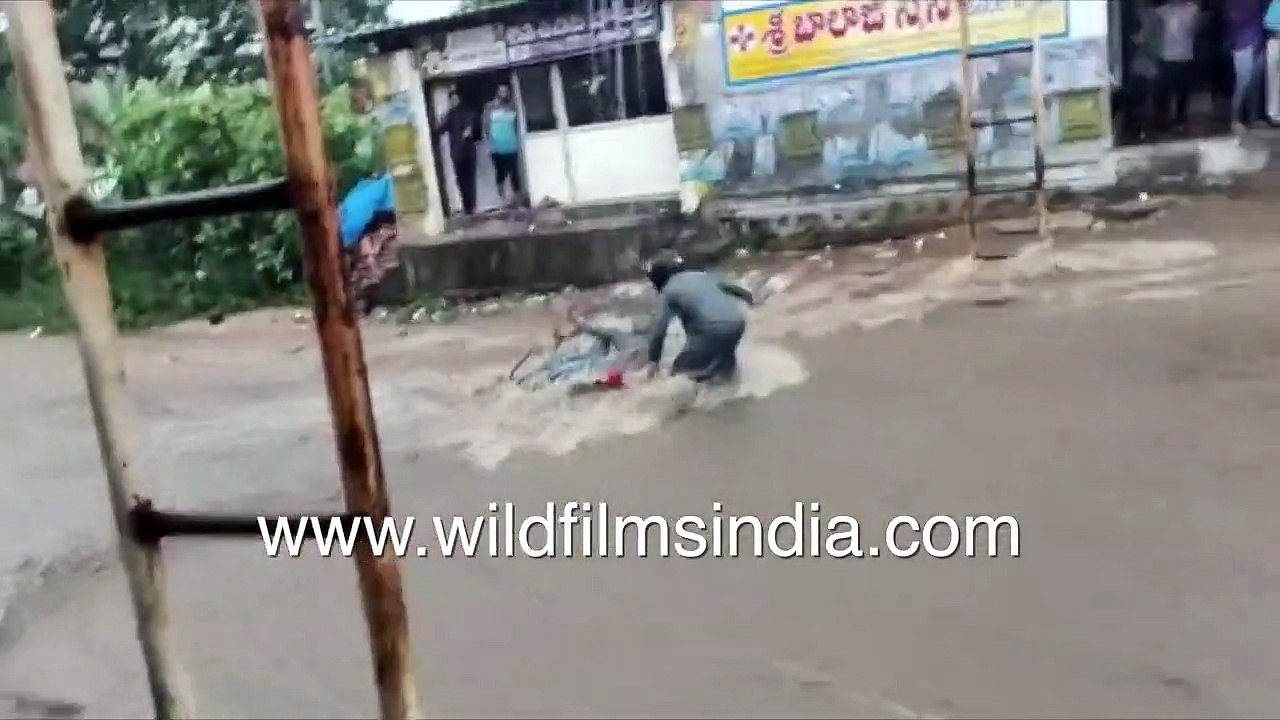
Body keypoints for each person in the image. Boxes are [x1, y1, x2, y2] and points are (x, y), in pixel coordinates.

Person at [644, 250, 754, 385]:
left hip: (709, 330)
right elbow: (739, 291)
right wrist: (753, 302)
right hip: (737, 323)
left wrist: (653, 361)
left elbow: (659, 330)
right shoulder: (702, 275)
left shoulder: (669, 290)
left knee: (680, 374)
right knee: (724, 366)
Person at [338, 173, 399, 316]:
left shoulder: (362, 193)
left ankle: (360, 303)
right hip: (364, 227)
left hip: (364, 227)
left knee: (367, 266)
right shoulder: (370, 191)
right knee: (368, 266)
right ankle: (361, 303)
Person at [1154, 0, 1202, 134]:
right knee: (1172, 91)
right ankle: (1172, 120)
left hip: (1181, 55)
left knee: (1181, 91)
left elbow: (1196, 31)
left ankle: (1179, 120)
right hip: (1172, 56)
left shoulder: (1191, 9)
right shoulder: (1164, 10)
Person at [435, 90, 479, 214]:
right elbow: (440, 130)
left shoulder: (468, 112)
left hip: (469, 152)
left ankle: (472, 206)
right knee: (460, 180)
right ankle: (467, 206)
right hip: (456, 153)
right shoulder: (450, 114)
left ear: (460, 99)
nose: (454, 101)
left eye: (456, 99)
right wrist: (440, 121)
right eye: (452, 99)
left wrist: (469, 130)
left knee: (470, 180)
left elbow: (472, 125)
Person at [1226, 0, 1267, 132]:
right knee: (1243, 82)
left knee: (1255, 83)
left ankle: (1252, 118)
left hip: (1257, 41)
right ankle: (1235, 119)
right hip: (1243, 44)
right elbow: (1233, 19)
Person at [483, 83, 522, 206]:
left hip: (511, 146)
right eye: (502, 91)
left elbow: (516, 126)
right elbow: (486, 128)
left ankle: (518, 202)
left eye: (506, 91)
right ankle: (503, 200)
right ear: (497, 92)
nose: (504, 93)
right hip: (496, 148)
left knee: (515, 174)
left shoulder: (512, 107)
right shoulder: (490, 107)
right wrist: (488, 145)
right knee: (500, 174)